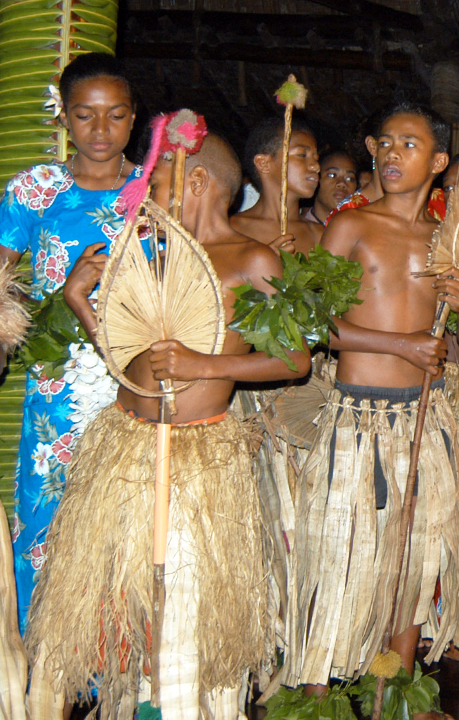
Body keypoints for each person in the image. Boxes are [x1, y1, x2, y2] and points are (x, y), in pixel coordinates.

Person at [25, 131, 311, 717]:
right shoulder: (156, 256)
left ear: (196, 181)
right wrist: (81, 302)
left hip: (195, 458)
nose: (145, 197)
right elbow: (128, 365)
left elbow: (295, 359)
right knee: (123, 608)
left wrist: (204, 364)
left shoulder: (252, 260)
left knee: (181, 606)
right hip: (124, 447)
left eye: (155, 185)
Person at [282, 102, 459, 699]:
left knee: (413, 557)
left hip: (424, 415)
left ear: (439, 162)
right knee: (339, 557)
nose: (392, 154)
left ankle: (398, 693)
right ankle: (317, 702)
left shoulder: (448, 241)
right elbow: (317, 325)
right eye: (385, 143)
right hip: (357, 417)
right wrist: (401, 344)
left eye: (409, 145)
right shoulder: (352, 227)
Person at [0, 52, 142, 631]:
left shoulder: (158, 189)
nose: (101, 130)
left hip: (137, 383)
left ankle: (117, 668)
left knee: (126, 529)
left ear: (134, 117)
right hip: (56, 392)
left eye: (116, 115)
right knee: (47, 525)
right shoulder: (34, 191)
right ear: (63, 116)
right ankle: (41, 662)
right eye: (85, 115)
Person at [230, 116, 322, 253]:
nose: (316, 167)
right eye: (302, 155)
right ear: (263, 163)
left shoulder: (319, 234)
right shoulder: (233, 230)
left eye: (316, 158)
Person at [302, 149, 357, 225]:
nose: (342, 183)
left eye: (350, 178)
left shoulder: (361, 228)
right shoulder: (296, 229)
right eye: (332, 175)